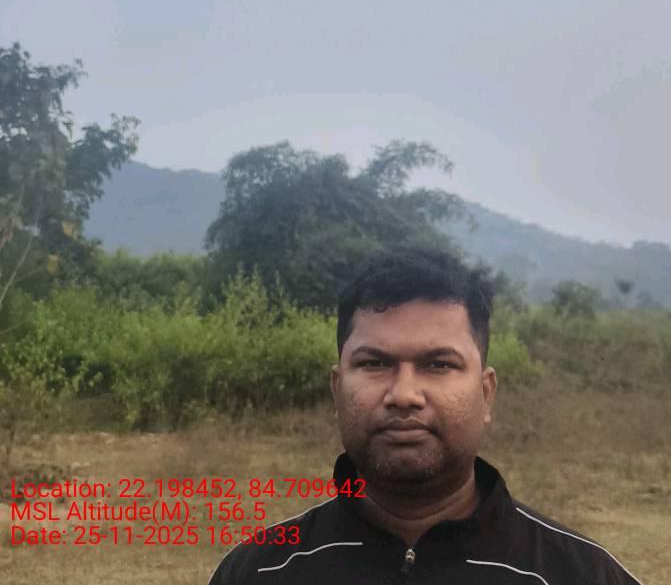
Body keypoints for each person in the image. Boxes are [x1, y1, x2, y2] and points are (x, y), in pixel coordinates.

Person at [208, 247, 644, 584]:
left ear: (486, 393)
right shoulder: (259, 571)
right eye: (375, 363)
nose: (404, 395)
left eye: (438, 364)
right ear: (337, 390)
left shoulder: (580, 574)